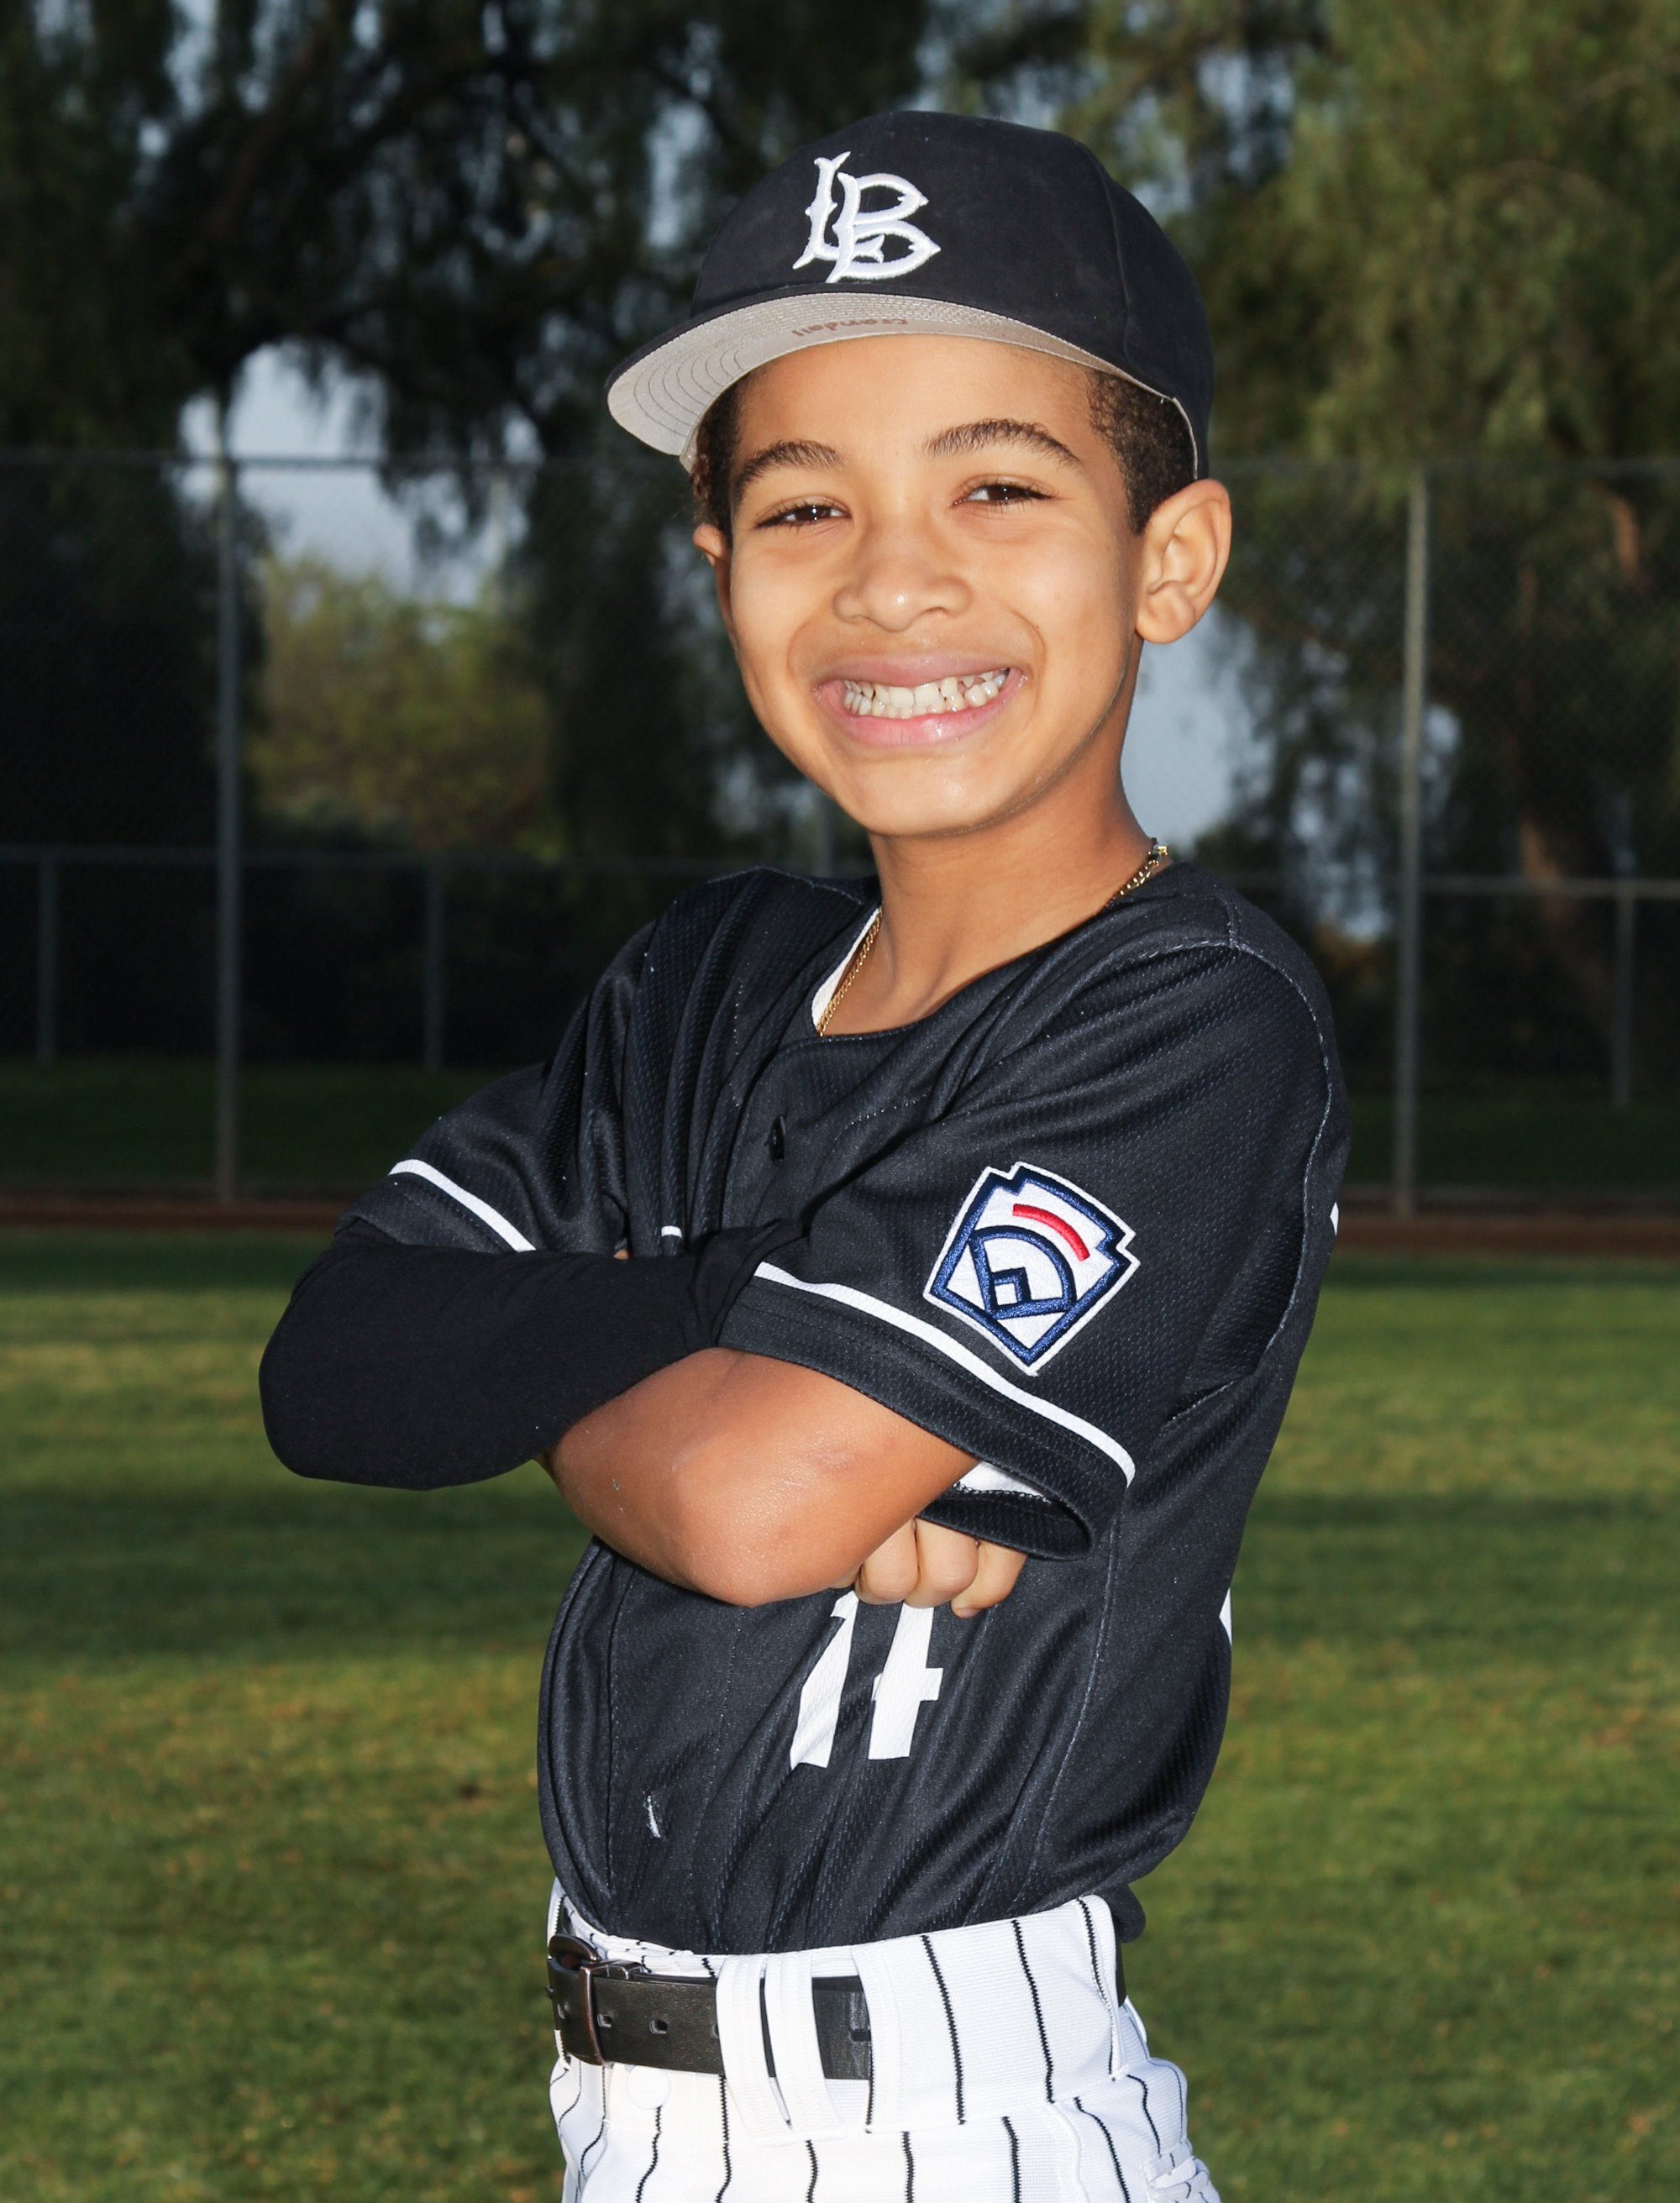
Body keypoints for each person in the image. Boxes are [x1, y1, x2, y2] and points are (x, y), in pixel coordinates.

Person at [261, 110, 1348, 2202]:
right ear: (719, 567)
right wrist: (732, 1309)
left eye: (998, 486)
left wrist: (577, 1356)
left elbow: (754, 1503)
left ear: (1170, 557)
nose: (891, 577)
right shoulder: (707, 981)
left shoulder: (1193, 1014)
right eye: (801, 503)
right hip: (633, 2113)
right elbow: (338, 1362)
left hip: (953, 2118)